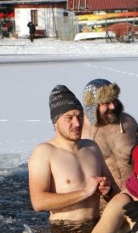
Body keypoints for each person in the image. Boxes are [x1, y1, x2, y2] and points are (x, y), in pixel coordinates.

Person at [28, 85, 117, 222]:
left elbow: (115, 193)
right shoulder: (44, 152)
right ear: (55, 122)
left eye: (80, 117)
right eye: (69, 118)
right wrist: (85, 192)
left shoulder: (92, 147)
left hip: (95, 226)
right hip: (63, 231)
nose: (77, 123)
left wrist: (108, 190)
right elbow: (38, 203)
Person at [81, 79, 138, 190]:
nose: (112, 106)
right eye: (106, 103)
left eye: (114, 100)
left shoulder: (128, 123)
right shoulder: (81, 131)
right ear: (92, 105)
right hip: (101, 202)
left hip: (134, 197)